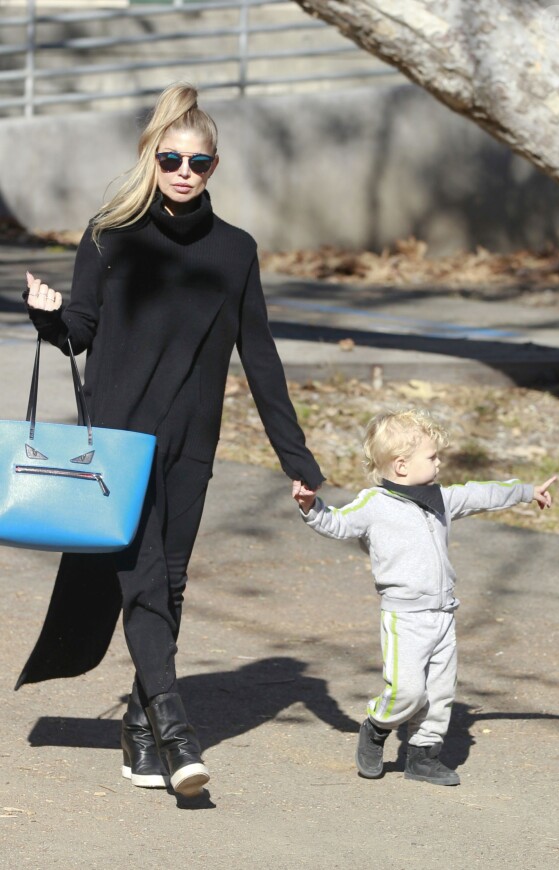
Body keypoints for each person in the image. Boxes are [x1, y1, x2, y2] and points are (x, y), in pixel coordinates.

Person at [19, 82, 324, 798]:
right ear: (151, 159)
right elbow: (81, 332)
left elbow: (262, 358)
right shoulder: (109, 235)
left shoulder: (235, 251)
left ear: (215, 166)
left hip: (192, 442)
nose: (185, 171)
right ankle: (175, 726)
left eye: (200, 161)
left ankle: (138, 721)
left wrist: (298, 461)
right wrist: (48, 315)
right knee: (146, 579)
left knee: (172, 581)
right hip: (117, 443)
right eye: (172, 158)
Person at [292, 408, 556, 786]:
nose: (440, 463)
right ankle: (376, 726)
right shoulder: (374, 504)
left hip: (443, 615)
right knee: (407, 691)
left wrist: (525, 492)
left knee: (439, 693)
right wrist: (309, 506)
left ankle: (422, 757)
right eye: (432, 457)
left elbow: (481, 493)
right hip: (405, 619)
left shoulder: (441, 499)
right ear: (401, 465)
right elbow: (336, 521)